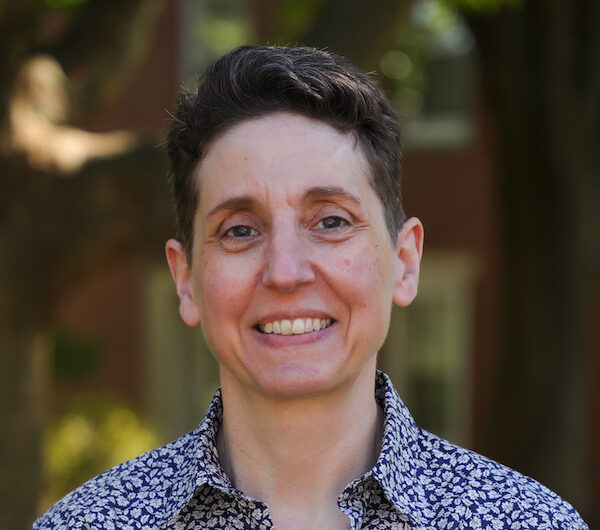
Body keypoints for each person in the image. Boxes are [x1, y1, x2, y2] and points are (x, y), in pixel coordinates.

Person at [35, 45, 587, 529]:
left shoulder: (524, 522)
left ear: (404, 260)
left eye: (331, 222)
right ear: (186, 279)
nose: (285, 271)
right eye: (240, 230)